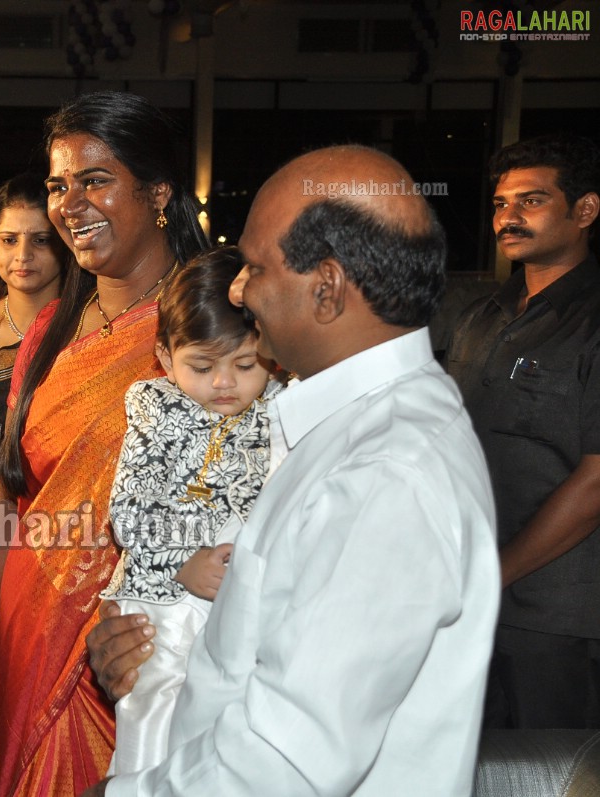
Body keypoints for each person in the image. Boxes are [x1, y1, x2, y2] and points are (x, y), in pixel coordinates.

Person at [84, 145, 499, 796]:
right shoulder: (337, 418)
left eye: (253, 267)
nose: (237, 289)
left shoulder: (387, 474)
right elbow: (267, 641)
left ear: (326, 289)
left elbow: (285, 759)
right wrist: (150, 654)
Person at [0, 91, 207, 797]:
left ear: (160, 193)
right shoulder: (54, 329)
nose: (69, 203)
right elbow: (8, 501)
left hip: (134, 652)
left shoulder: (213, 333)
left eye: (95, 180)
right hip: (26, 639)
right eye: (58, 185)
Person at [103, 247, 282, 776]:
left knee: (228, 726)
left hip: (240, 596)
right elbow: (128, 512)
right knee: (153, 706)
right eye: (202, 366)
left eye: (245, 364)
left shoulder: (282, 407)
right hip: (161, 595)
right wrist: (183, 560)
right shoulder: (155, 410)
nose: (224, 383)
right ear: (164, 356)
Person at [446, 134, 600, 729]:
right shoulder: (479, 316)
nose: (508, 216)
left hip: (552, 613)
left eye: (531, 201)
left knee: (550, 775)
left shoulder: (591, 323)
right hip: (463, 599)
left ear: (584, 211)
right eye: (499, 203)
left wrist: (494, 573)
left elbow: (594, 482)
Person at [0, 173, 66, 504]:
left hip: (62, 519)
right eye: (9, 240)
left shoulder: (86, 329)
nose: (23, 255)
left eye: (40, 240)